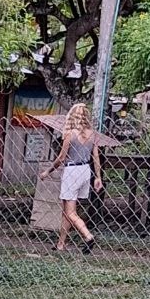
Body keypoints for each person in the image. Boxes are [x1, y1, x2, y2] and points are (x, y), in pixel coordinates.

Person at [39, 102, 103, 254]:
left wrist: (47, 171)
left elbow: (61, 158)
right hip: (85, 170)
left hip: (72, 170)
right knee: (67, 210)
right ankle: (61, 244)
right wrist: (98, 177)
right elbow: (95, 157)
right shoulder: (93, 134)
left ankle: (88, 236)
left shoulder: (70, 134)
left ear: (72, 116)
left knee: (70, 212)